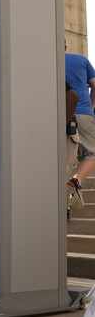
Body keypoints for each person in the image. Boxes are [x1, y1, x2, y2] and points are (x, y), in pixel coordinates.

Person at [65, 45, 95, 209]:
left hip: (54, 115)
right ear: (65, 46)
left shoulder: (43, 63)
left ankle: (64, 207)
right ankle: (76, 180)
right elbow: (94, 84)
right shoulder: (81, 60)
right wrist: (91, 106)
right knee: (90, 154)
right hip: (82, 112)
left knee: (63, 161)